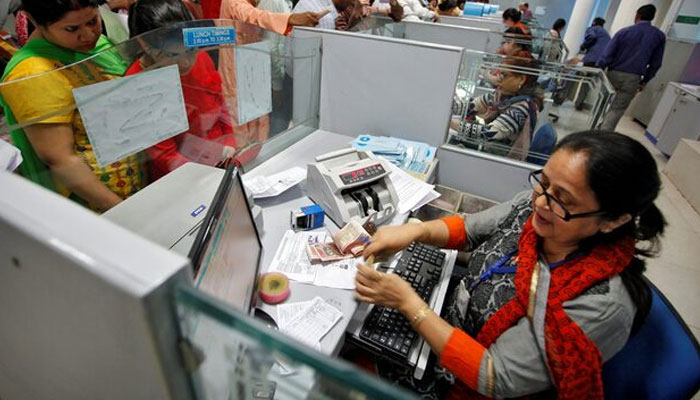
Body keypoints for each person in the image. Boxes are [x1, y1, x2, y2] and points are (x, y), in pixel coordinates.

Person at [356, 130, 666, 399]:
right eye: (543, 183)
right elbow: (468, 229)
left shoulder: (598, 305)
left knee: (344, 368)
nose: (542, 202)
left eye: (564, 200)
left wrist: (410, 304)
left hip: (467, 384)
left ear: (613, 220)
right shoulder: (534, 211)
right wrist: (414, 231)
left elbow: (494, 375)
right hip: (445, 331)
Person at [0, 0, 145, 212]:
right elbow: (60, 160)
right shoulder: (34, 73)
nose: (88, 35)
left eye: (93, 21)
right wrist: (122, 211)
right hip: (97, 205)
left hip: (136, 179)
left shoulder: (92, 45)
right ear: (34, 21)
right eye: (72, 28)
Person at [126, 0, 237, 181]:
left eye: (190, 50)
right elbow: (163, 154)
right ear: (145, 45)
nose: (186, 61)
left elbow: (221, 103)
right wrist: (205, 176)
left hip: (222, 158)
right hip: (182, 176)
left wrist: (230, 143)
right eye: (173, 55)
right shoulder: (137, 82)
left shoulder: (201, 58)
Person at [450, 57, 543, 161]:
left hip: (501, 161)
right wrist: (446, 104)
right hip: (489, 150)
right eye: (499, 73)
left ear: (521, 79)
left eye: (504, 75)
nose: (498, 78)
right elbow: (469, 107)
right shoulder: (501, 95)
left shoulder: (523, 107)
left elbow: (489, 133)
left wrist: (451, 123)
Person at [598, 4, 665, 131]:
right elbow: (656, 63)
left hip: (612, 74)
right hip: (633, 78)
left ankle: (595, 130)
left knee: (601, 103)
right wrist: (645, 80)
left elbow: (607, 55)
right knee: (617, 109)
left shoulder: (624, 32)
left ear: (638, 15)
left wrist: (600, 70)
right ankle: (603, 136)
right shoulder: (658, 36)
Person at [575, 17, 610, 111]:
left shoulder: (593, 29)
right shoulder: (606, 34)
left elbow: (592, 37)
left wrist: (583, 46)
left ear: (593, 23)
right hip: (601, 62)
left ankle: (564, 99)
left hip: (591, 60)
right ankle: (583, 104)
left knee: (576, 76)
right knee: (590, 82)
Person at [335, 0, 403, 31]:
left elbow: (398, 17)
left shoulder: (372, 10)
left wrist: (392, 2)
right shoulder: (343, 13)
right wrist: (355, 14)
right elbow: (341, 37)